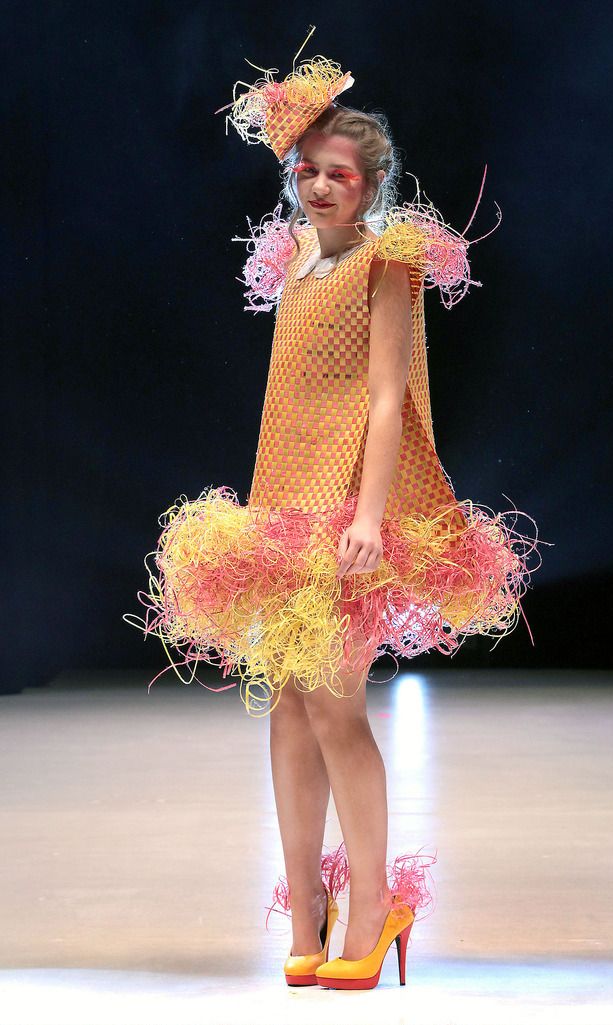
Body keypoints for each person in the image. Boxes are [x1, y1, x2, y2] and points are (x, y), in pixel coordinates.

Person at [124, 29, 543, 990]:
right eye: (307, 171)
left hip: (345, 518)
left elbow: (388, 396)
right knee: (288, 710)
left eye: (339, 176)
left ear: (371, 187)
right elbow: (296, 400)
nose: (319, 188)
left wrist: (365, 512)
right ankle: (303, 903)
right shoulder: (293, 266)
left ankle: (372, 903)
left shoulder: (382, 265)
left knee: (337, 707)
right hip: (279, 508)